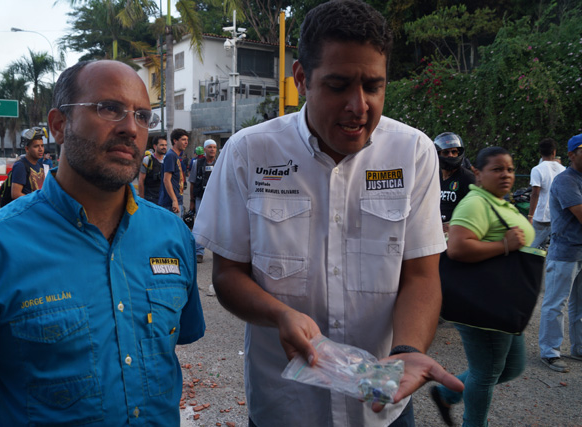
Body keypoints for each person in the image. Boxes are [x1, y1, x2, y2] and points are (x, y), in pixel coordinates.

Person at [193, 1, 463, 425]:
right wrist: (278, 313)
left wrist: (407, 352)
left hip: (382, 409)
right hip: (285, 406)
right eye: (338, 86)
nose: (359, 106)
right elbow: (227, 274)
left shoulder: (413, 152)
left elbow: (421, 276)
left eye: (373, 86)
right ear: (301, 78)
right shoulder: (249, 152)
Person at [0, 60, 205, 425]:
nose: (131, 128)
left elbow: (168, 348)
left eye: (143, 116)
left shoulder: (173, 236)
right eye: (109, 109)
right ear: (59, 125)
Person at [431, 146, 533, 427]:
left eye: (510, 169)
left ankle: (446, 392)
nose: (506, 175)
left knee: (512, 367)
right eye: (497, 169)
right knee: (486, 372)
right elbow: (457, 248)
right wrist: (505, 245)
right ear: (477, 173)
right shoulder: (475, 203)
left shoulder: (500, 201)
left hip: (506, 301)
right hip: (484, 303)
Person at [538, 134, 582, 373]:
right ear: (572, 154)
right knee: (556, 304)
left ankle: (579, 348)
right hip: (565, 251)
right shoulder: (566, 181)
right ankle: (550, 352)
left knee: (580, 305)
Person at [528, 138, 565, 249]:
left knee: (532, 245)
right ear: (554, 152)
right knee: (554, 245)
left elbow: (535, 194)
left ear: (540, 152)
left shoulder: (537, 169)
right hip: (557, 214)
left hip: (541, 215)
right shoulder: (563, 169)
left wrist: (530, 216)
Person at [435, 132, 475, 233]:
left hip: (457, 232)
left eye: (454, 152)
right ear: (438, 153)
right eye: (446, 152)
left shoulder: (467, 178)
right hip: (435, 230)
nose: (451, 155)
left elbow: (476, 209)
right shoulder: (435, 176)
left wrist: (454, 225)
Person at [189, 139, 217, 263]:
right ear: (204, 149)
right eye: (210, 147)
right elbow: (192, 183)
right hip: (201, 198)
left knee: (217, 225)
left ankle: (219, 253)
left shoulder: (220, 162)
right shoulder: (197, 163)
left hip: (216, 199)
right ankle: (199, 252)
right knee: (200, 225)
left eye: (214, 147)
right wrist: (191, 201)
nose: (212, 149)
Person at [10, 127, 47, 200]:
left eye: (42, 146)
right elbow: (15, 194)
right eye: (36, 146)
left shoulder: (40, 165)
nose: (40, 149)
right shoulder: (20, 166)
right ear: (27, 149)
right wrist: (36, 201)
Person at [159, 128, 188, 215]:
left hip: (177, 201)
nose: (186, 142)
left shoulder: (176, 156)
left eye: (187, 140)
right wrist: (174, 200)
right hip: (170, 203)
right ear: (175, 141)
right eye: (183, 139)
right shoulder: (171, 156)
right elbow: (166, 180)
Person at [138, 135, 167, 203]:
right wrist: (142, 200)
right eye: (162, 145)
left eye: (165, 145)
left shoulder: (167, 160)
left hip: (164, 199)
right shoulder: (147, 160)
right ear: (155, 146)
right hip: (150, 198)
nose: (164, 147)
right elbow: (141, 181)